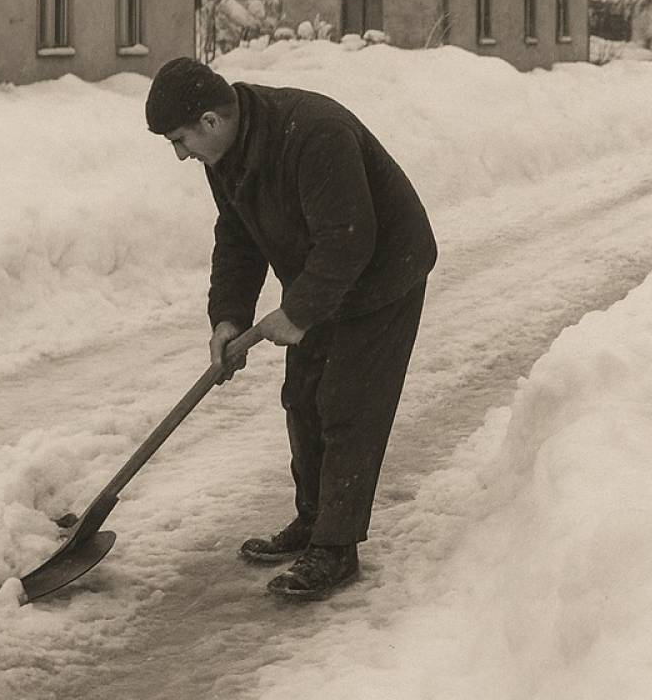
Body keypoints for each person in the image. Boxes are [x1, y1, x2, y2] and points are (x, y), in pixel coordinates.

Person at [145, 57, 437, 600]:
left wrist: (299, 312)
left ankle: (336, 548)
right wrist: (228, 317)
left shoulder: (315, 134)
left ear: (210, 121)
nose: (182, 154)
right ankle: (313, 520)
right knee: (303, 397)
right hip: (320, 274)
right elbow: (237, 237)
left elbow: (350, 240)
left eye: (180, 140)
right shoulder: (227, 155)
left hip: (383, 274)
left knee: (348, 404)